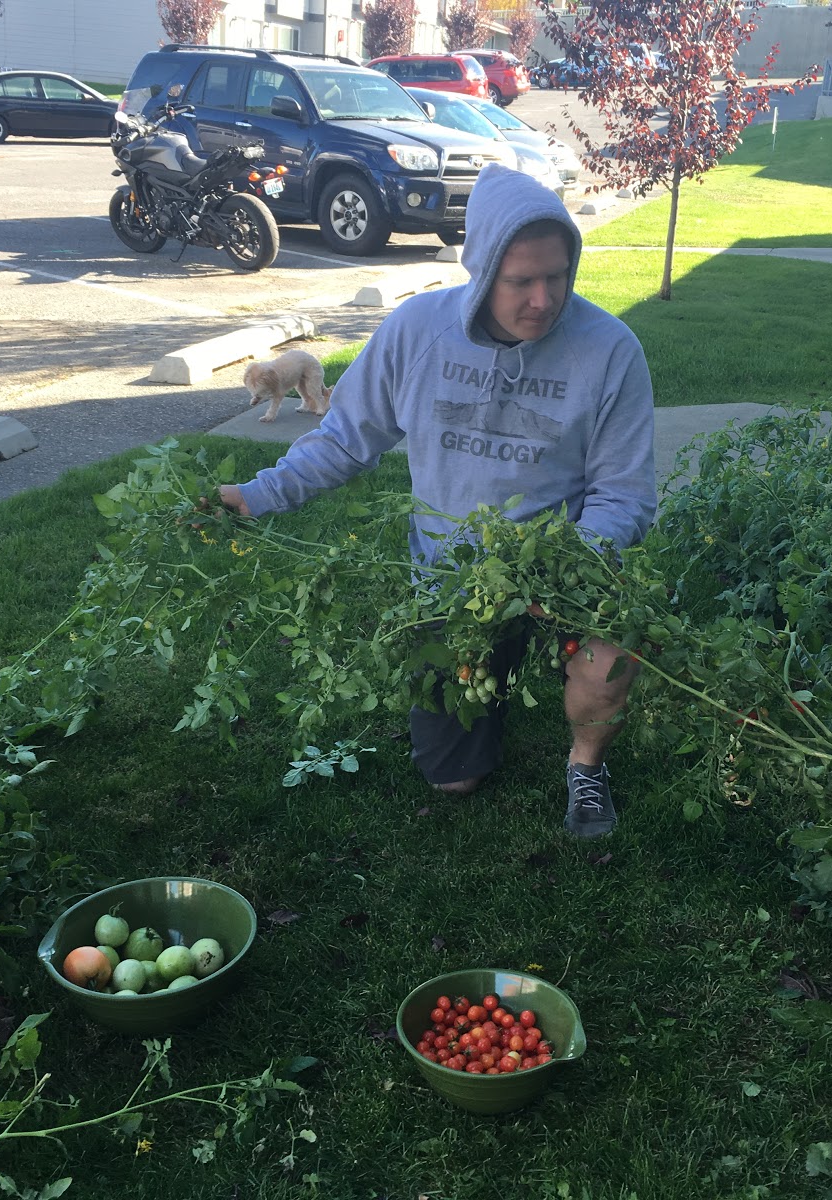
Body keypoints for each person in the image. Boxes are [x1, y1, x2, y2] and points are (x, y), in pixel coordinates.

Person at [218, 163, 656, 837]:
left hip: (564, 573)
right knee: (452, 778)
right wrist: (256, 494)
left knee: (606, 659)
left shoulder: (609, 351)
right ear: (480, 271)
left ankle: (585, 764)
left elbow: (624, 495)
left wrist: (564, 564)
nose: (544, 298)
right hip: (452, 583)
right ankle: (494, 687)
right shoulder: (417, 332)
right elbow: (344, 440)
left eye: (558, 277)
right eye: (521, 281)